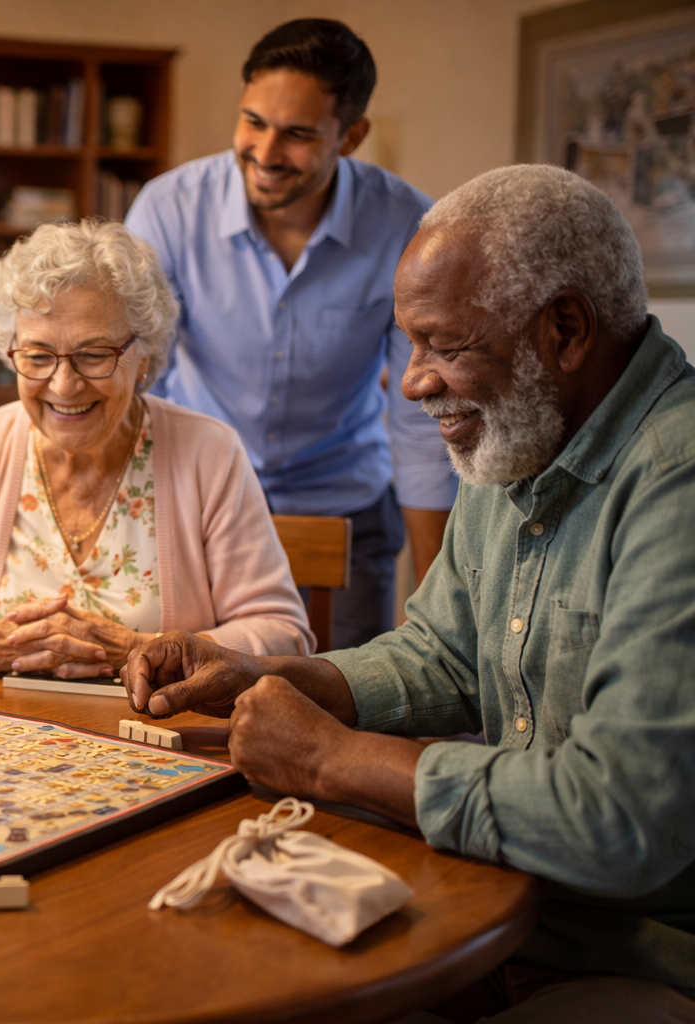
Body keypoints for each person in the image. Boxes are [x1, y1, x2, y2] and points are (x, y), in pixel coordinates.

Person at [123, 165, 695, 1022]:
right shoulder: (524, 431)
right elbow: (441, 654)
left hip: (640, 957)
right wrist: (265, 674)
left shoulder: (676, 480)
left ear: (566, 329)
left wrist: (333, 759)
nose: (413, 380)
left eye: (445, 345)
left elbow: (619, 819)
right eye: (409, 344)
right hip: (493, 910)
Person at [125, 18, 455, 650]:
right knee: (188, 691)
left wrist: (441, 618)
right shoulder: (168, 210)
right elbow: (137, 378)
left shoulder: (408, 226)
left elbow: (421, 421)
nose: (266, 152)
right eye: (253, 121)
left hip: (348, 508)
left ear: (351, 136)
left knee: (351, 695)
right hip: (199, 504)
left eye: (298, 134)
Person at [0, 220, 312, 678]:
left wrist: (142, 651)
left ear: (143, 355)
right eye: (38, 356)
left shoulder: (209, 453)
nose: (64, 385)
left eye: (94, 355)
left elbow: (284, 633)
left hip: (152, 719)